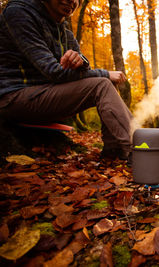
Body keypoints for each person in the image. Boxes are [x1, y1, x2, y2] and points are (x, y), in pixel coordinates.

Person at [0, 0, 133, 160]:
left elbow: (85, 72)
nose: (72, 1)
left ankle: (115, 150)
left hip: (44, 95)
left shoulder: (64, 31)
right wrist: (105, 73)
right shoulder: (19, 13)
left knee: (106, 83)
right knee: (102, 83)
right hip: (14, 97)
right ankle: (139, 149)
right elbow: (53, 72)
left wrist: (81, 62)